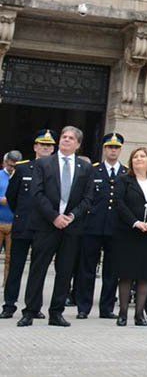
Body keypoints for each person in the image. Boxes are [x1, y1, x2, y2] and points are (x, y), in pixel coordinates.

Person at [19, 126, 95, 327]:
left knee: (65, 270)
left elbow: (88, 198)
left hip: (71, 226)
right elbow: (36, 194)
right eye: (64, 137)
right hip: (46, 224)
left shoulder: (85, 168)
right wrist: (54, 217)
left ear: (78, 144)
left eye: (71, 138)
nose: (66, 140)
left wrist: (71, 216)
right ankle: (30, 310)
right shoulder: (44, 164)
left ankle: (56, 312)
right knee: (38, 268)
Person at [109, 147, 147, 327]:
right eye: (135, 157)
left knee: (145, 274)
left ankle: (140, 314)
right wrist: (135, 222)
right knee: (126, 273)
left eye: (142, 156)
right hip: (128, 232)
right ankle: (123, 313)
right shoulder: (123, 180)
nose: (139, 159)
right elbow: (119, 203)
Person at [2, 131, 56, 319]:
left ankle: (34, 306)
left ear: (53, 149)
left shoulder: (55, 170)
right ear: (35, 147)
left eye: (49, 146)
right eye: (42, 144)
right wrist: (21, 214)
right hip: (23, 225)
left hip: (44, 227)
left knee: (38, 269)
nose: (45, 148)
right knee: (16, 266)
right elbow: (11, 196)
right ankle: (9, 305)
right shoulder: (23, 168)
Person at [74, 132, 125, 320]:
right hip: (93, 226)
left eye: (116, 147)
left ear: (120, 150)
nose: (113, 150)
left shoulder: (126, 173)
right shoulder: (92, 170)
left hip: (115, 228)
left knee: (111, 271)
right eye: (110, 147)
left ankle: (107, 308)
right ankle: (83, 307)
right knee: (87, 268)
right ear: (104, 149)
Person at [0, 151, 17, 282]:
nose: (11, 168)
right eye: (10, 165)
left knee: (10, 258)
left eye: (14, 166)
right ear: (4, 163)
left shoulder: (19, 176)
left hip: (13, 224)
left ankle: (6, 285)